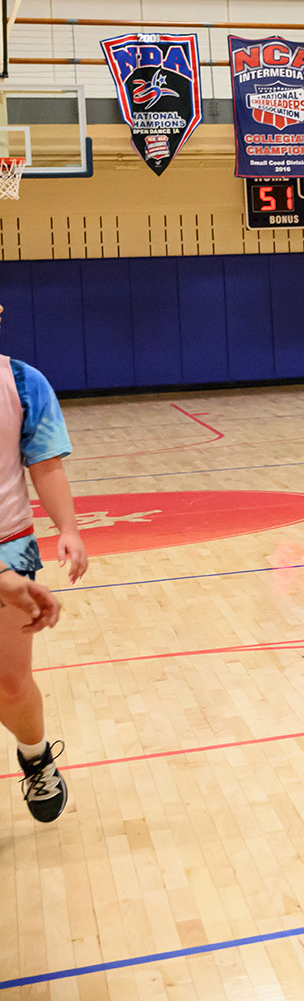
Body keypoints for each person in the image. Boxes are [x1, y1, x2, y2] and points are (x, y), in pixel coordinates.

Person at [0, 302, 87, 823]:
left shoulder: (23, 382)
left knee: (11, 682)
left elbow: (45, 463)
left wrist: (69, 530)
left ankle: (35, 758)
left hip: (10, 544)